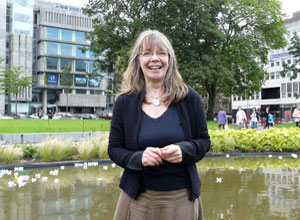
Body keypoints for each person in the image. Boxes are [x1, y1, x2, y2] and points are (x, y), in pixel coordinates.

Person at [108, 30, 210, 220]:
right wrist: (139, 158)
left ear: (169, 59)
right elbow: (114, 149)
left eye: (161, 53)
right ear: (138, 61)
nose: (154, 59)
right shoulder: (124, 102)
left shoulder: (189, 98)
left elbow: (204, 142)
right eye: (147, 53)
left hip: (181, 200)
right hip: (138, 200)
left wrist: (184, 150)